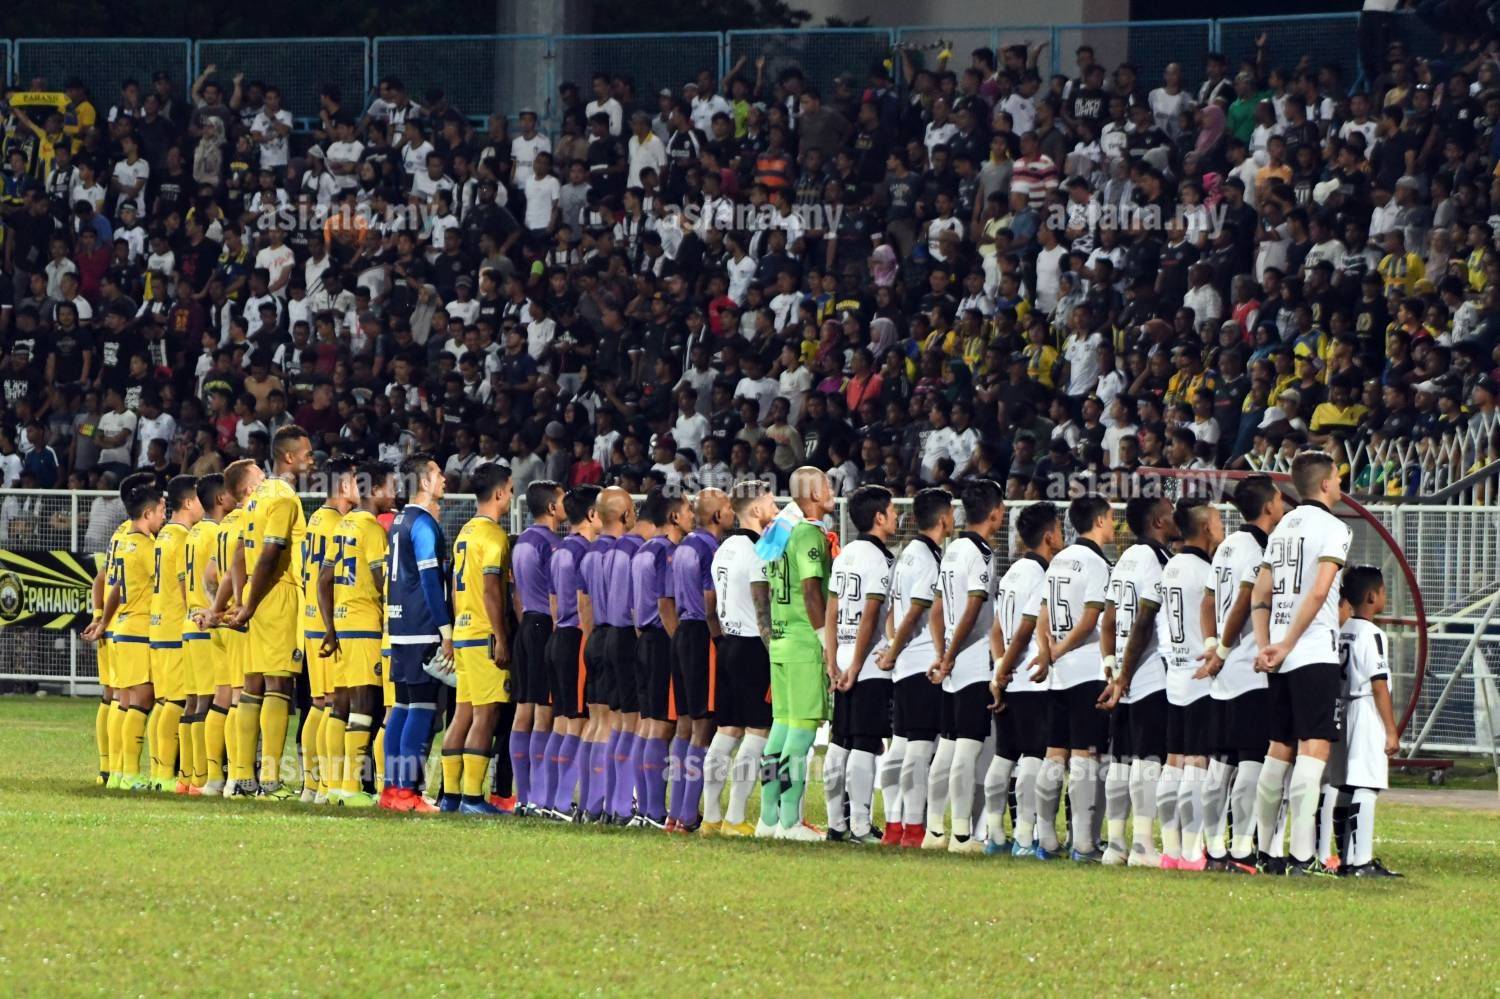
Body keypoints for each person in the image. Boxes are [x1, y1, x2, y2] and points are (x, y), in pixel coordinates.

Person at [1250, 450, 1353, 876]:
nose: (1341, 485)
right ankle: (1301, 855)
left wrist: (1267, 645)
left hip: (1279, 653)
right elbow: (1319, 591)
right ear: (1325, 483)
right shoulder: (1335, 528)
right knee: (1314, 748)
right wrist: (1290, 643)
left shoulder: (1282, 528)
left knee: (1279, 748)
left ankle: (1264, 851)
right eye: (1338, 478)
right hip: (1311, 651)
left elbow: (1261, 592)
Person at [1197, 474, 1285, 874]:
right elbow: (1245, 602)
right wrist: (1223, 650)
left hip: (1225, 676)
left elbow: (1208, 601)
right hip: (1250, 670)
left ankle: (1215, 849)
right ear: (1268, 506)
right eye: (1279, 499)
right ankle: (1242, 848)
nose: (1282, 505)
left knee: (1221, 764)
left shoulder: (1227, 545)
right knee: (1251, 760)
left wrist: (1211, 645)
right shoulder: (1258, 549)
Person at [223, 425, 314, 799]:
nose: (312, 461)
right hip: (277, 595)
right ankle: (272, 781)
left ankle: (243, 778)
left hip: (255, 595)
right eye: (307, 454)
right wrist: (250, 603)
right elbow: (269, 553)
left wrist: (243, 599)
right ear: (289, 457)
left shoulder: (255, 499)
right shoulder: (284, 497)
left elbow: (240, 553)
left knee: (252, 686)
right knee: (278, 686)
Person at [926, 479, 1005, 854]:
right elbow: (973, 608)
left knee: (946, 748)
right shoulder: (982, 553)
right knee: (967, 750)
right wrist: (952, 654)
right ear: (995, 513)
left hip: (952, 663)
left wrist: (941, 653)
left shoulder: (953, 549)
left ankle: (933, 831)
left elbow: (937, 609)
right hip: (971, 662)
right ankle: (960, 835)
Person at [1100, 496, 1179, 867]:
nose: (1177, 518)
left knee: (1121, 759)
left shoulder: (1126, 558)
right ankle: (1143, 846)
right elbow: (1144, 623)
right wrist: (1126, 674)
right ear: (1158, 523)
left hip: (1123, 670)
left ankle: (1115, 844)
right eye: (1171, 514)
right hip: (1146, 673)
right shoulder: (1157, 561)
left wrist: (1112, 666)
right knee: (1147, 759)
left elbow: (1109, 619)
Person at [759, 466, 836, 841]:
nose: (832, 490)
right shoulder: (807, 533)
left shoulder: (779, 532)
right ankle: (789, 821)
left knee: (780, 732)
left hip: (781, 640)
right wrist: (826, 643)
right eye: (827, 485)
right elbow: (810, 591)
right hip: (804, 642)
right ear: (815, 493)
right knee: (801, 735)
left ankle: (767, 817)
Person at [1036, 495, 1114, 861]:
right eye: (1110, 518)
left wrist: (1047, 651)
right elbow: (1089, 621)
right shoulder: (1097, 564)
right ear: (1098, 521)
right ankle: (1084, 843)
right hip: (1086, 670)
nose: (1112, 524)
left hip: (1059, 674)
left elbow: (1043, 614)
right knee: (1085, 756)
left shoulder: (1058, 560)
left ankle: (1046, 839)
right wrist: (1061, 650)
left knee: (1054, 754)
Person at [822, 484, 897, 845]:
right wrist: (856, 665)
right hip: (866, 662)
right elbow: (870, 615)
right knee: (865, 742)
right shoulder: (880, 560)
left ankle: (836, 823)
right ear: (879, 518)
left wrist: (832, 659)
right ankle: (862, 827)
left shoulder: (846, 554)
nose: (897, 516)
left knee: (840, 741)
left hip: (842, 656)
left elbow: (832, 610)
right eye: (893, 511)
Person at [877, 487, 952, 848]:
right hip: (921, 662)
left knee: (902, 746)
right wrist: (895, 649)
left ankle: (894, 826)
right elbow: (917, 610)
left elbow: (893, 611)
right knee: (920, 749)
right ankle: (913, 828)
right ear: (943, 518)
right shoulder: (927, 559)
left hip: (905, 664)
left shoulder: (906, 555)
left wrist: (894, 647)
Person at [988, 501, 1063, 858]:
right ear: (1048, 536)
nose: (1062, 535)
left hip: (1009, 679)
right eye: (1059, 529)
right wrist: (1006, 666)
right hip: (1033, 678)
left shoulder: (1013, 572)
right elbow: (1024, 631)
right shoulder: (1042, 575)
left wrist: (999, 669)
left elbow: (996, 630)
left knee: (1005, 755)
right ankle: (1024, 836)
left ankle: (994, 835)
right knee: (1034, 755)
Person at [440, 462, 515, 815]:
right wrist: (502, 636)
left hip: (464, 631)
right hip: (484, 634)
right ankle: (472, 798)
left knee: (463, 713)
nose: (511, 497)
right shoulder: (494, 536)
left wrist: (456, 630)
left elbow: (457, 590)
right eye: (510, 490)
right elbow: (491, 590)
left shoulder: (465, 532)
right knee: (486, 716)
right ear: (499, 493)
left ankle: (451, 797)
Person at [83, 475, 166, 791]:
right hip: (136, 627)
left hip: (116, 625)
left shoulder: (119, 536)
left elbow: (105, 579)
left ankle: (112, 770)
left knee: (116, 697)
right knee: (137, 699)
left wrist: (101, 618)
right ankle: (127, 772)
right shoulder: (145, 546)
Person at [703, 482, 777, 836]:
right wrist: (775, 652)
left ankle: (711, 817)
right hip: (752, 647)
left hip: (728, 644)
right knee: (757, 730)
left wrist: (720, 640)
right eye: (771, 504)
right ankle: (735, 818)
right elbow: (763, 611)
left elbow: (711, 605)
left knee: (726, 730)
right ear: (756, 510)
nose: (776, 511)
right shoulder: (758, 552)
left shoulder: (724, 549)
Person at [322, 460, 396, 808]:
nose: (395, 493)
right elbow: (383, 581)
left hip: (342, 623)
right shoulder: (371, 529)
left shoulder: (343, 525)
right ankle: (353, 787)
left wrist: (330, 627)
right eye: (391, 486)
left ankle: (334, 785)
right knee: (366, 706)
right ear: (376, 490)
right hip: (365, 624)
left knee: (341, 705)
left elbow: (324, 579)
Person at [1156, 498, 1225, 871]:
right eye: (1217, 519)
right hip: (1201, 676)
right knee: (1197, 763)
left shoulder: (1171, 567)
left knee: (1174, 762)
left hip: (1176, 674)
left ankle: (1170, 851)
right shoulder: (1205, 571)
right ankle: (1192, 852)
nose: (1221, 525)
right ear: (1206, 527)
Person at [382, 453, 451, 813]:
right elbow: (429, 581)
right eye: (438, 473)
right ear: (424, 482)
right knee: (422, 708)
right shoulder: (423, 524)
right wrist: (446, 630)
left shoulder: (398, 521)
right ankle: (407, 792)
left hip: (399, 628)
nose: (444, 479)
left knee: (402, 706)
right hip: (421, 627)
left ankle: (391, 790)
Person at [1331, 565, 1402, 878]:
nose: (1385, 596)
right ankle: (1361, 861)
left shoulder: (1342, 629)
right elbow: (1378, 683)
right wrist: (1390, 730)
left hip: (1341, 708)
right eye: (1383, 591)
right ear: (1372, 597)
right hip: (1364, 708)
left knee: (1346, 785)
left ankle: (1346, 858)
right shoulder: (1372, 634)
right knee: (1367, 784)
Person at [665, 489, 729, 832]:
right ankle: (689, 814)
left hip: (682, 635)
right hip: (703, 635)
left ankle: (675, 813)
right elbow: (709, 603)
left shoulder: (682, 547)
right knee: (704, 725)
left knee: (685, 725)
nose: (732, 511)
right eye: (728, 507)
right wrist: (720, 640)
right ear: (717, 516)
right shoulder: (709, 549)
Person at [631, 489, 692, 829]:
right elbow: (665, 605)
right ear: (673, 517)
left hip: (644, 640)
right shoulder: (668, 552)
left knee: (648, 723)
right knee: (663, 725)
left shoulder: (642, 550)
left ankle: (645, 808)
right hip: (663, 640)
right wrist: (680, 643)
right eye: (687, 509)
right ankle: (653, 810)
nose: (692, 514)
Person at [542, 485, 600, 819]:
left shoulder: (560, 550)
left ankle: (551, 801)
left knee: (562, 722)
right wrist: (591, 645)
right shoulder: (585, 552)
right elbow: (584, 603)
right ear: (592, 515)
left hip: (558, 637)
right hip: (578, 639)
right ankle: (564, 803)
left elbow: (553, 602)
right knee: (577, 723)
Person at [507, 480, 564, 816]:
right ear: (552, 508)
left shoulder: (521, 542)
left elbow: (516, 595)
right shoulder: (552, 544)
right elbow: (557, 597)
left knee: (523, 710)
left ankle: (523, 797)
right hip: (545, 626)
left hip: (526, 625)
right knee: (544, 712)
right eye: (562, 500)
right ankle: (540, 799)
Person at [149, 476, 202, 793]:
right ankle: (168, 774)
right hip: (173, 625)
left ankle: (158, 771)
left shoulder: (164, 534)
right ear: (189, 502)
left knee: (163, 701)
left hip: (158, 625)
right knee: (176, 702)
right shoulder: (182, 537)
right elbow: (185, 584)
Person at [184, 474, 231, 795]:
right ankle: (206, 777)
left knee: (193, 700)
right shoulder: (216, 532)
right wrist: (217, 610)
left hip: (190, 621)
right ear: (220, 499)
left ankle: (189, 776)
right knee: (215, 698)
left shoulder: (192, 533)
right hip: (209, 624)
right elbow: (213, 575)